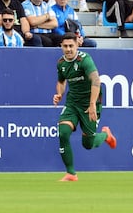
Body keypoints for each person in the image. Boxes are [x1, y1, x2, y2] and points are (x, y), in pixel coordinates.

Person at [53, 32, 117, 182]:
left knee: (88, 144)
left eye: (71, 46)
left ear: (77, 45)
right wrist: (59, 94)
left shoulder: (85, 60)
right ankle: (71, 174)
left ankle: (106, 135)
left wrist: (92, 104)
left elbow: (96, 81)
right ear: (61, 46)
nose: (68, 49)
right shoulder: (61, 63)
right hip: (73, 103)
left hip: (91, 103)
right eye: (65, 46)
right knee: (63, 132)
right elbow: (61, 82)